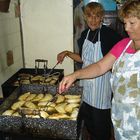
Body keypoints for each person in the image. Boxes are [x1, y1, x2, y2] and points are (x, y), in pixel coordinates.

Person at [59, 0, 140, 139]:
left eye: (131, 23)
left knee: (101, 127)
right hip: (106, 102)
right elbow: (92, 62)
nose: (126, 28)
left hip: (102, 91)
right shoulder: (86, 35)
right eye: (90, 16)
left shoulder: (110, 35)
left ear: (102, 17)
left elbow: (106, 66)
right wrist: (70, 60)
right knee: (90, 124)